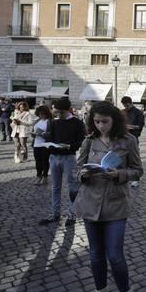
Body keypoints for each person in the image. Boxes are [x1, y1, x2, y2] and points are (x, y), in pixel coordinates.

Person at [73, 100, 142, 292]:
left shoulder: (128, 140)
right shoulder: (88, 142)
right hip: (90, 202)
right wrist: (82, 175)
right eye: (96, 121)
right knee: (95, 255)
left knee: (115, 255)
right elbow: (77, 168)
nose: (101, 125)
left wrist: (120, 174)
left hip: (115, 203)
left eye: (105, 121)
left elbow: (138, 170)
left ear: (114, 120)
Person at [39, 97, 86, 226]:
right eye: (57, 112)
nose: (59, 115)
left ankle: (72, 214)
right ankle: (55, 214)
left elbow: (81, 140)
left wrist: (70, 146)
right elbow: (51, 138)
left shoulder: (77, 122)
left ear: (68, 110)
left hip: (69, 157)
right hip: (54, 156)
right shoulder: (54, 122)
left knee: (73, 187)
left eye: (61, 112)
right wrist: (45, 139)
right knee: (55, 187)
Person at [31, 105, 52, 185]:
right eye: (39, 114)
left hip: (45, 144)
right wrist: (33, 134)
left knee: (45, 161)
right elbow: (33, 130)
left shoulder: (50, 121)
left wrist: (43, 134)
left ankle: (45, 177)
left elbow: (51, 134)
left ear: (46, 113)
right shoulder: (37, 121)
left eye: (43, 114)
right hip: (36, 143)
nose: (41, 115)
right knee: (38, 161)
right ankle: (39, 176)